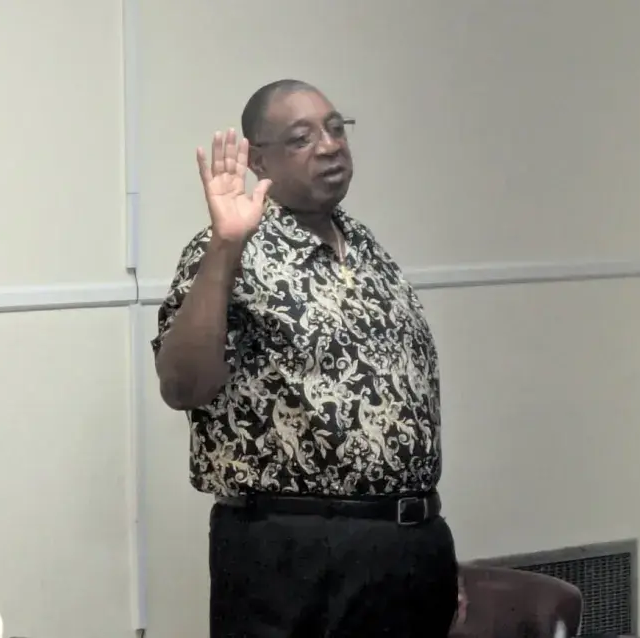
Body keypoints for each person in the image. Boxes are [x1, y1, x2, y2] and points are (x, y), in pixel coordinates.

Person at [152, 79, 459, 638]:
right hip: (293, 555)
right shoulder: (229, 248)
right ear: (258, 159)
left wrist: (423, 547)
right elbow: (182, 387)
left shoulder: (364, 246)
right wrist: (226, 244)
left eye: (336, 128)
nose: (330, 145)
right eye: (302, 137)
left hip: (407, 552)